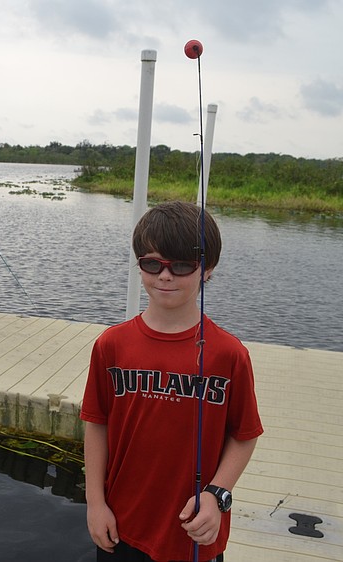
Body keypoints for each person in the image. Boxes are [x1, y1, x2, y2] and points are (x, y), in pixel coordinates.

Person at [81, 200, 263, 562]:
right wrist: (94, 503)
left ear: (207, 270)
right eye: (152, 264)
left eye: (181, 265)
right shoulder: (111, 346)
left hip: (193, 533)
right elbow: (96, 424)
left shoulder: (229, 354)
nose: (165, 276)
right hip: (121, 526)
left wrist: (216, 494)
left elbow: (245, 435)